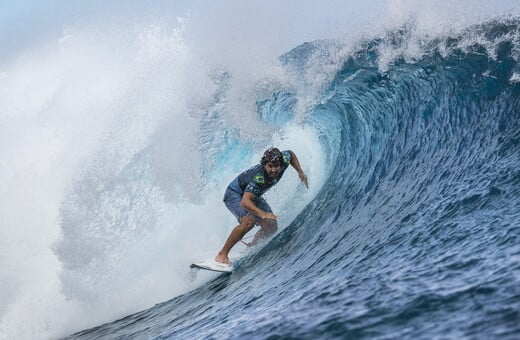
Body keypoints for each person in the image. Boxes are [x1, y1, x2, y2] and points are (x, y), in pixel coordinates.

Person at [215, 147, 309, 264]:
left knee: (271, 226)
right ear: (264, 164)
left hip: (253, 195)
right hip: (234, 194)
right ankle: (222, 254)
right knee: (249, 222)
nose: (274, 170)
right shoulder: (259, 178)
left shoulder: (283, 159)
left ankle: (251, 247)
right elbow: (245, 202)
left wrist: (300, 171)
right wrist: (263, 214)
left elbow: (291, 154)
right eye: (270, 166)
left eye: (276, 166)